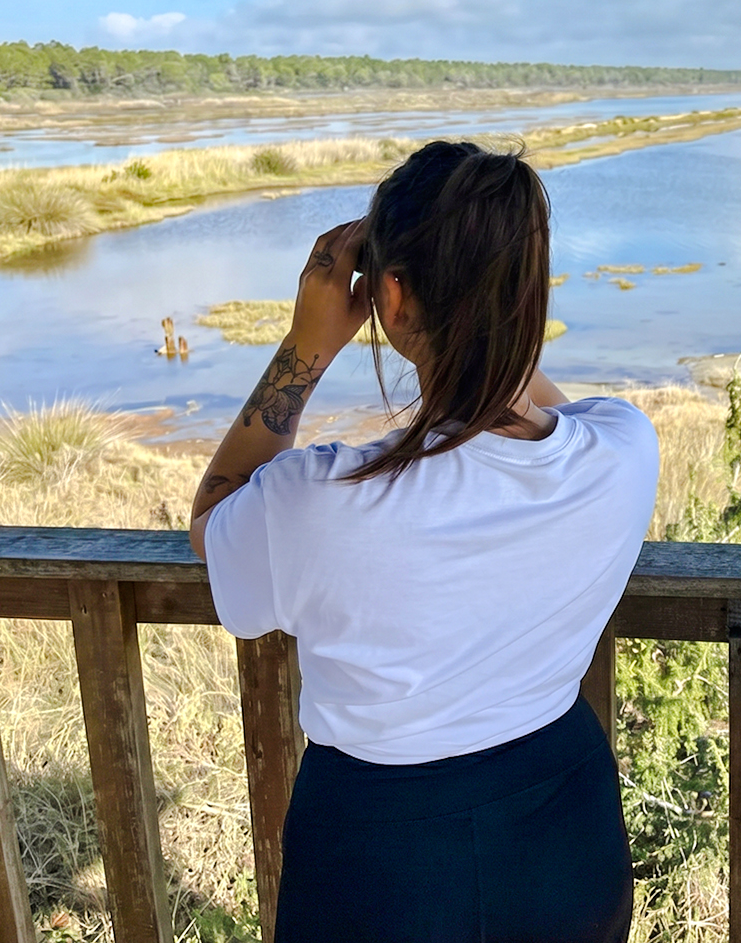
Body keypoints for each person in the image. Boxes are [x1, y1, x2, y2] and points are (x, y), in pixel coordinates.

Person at [187, 142, 659, 943]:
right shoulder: (624, 451)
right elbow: (541, 415)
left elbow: (215, 517)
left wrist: (309, 342)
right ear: (529, 292)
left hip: (385, 856)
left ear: (391, 296)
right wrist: (494, 312)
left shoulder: (323, 500)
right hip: (565, 828)